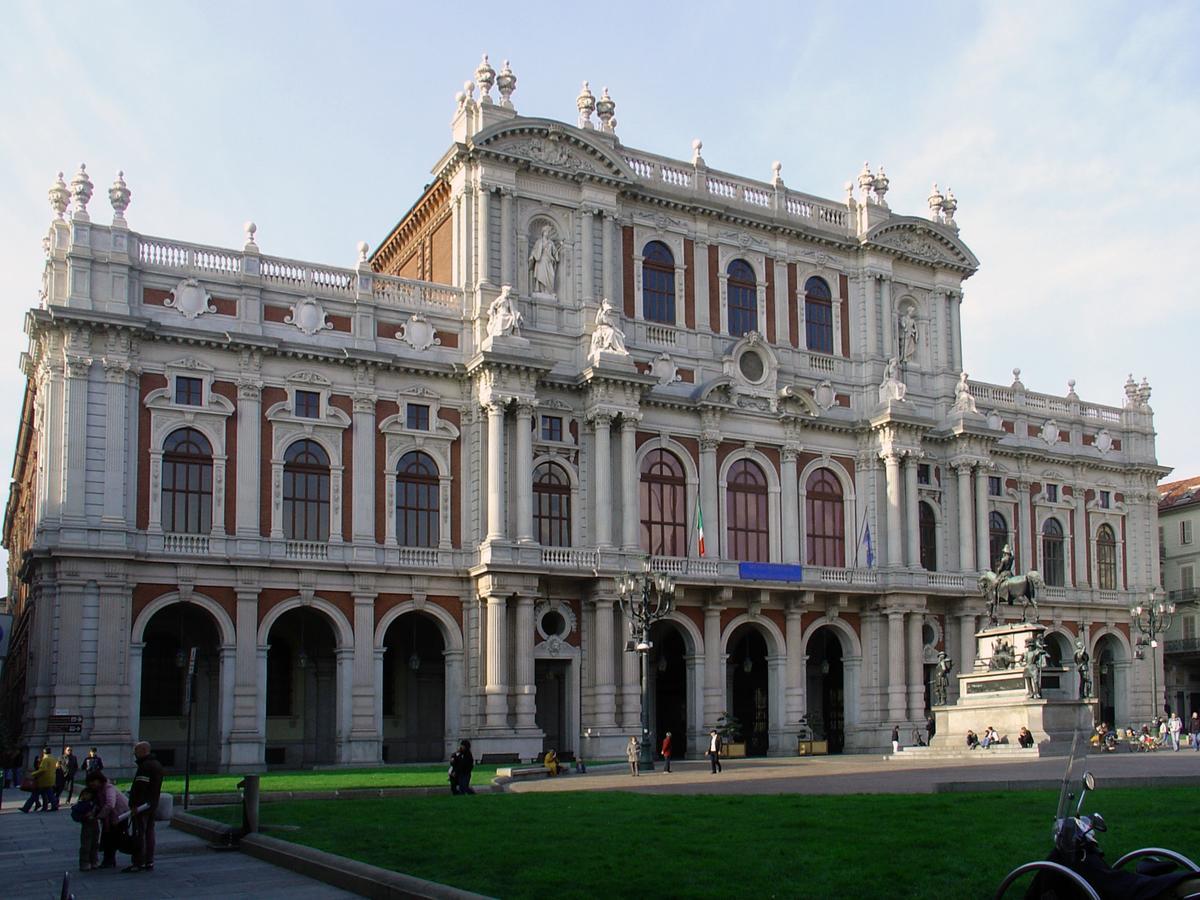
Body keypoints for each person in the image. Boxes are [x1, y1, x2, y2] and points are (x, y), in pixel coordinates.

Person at [125, 740, 164, 873]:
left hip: (142, 806)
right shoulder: (156, 764)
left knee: (140, 833)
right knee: (149, 832)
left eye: (136, 751)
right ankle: (149, 860)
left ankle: (139, 861)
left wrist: (135, 804)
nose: (134, 754)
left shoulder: (145, 767)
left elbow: (141, 787)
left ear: (142, 751)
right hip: (152, 803)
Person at [87, 771, 129, 869]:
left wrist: (99, 816)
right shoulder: (98, 790)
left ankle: (109, 860)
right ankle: (109, 859)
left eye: (94, 781)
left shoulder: (108, 788)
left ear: (99, 780)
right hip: (111, 817)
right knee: (108, 836)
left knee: (112, 837)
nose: (92, 784)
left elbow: (110, 804)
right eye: (90, 782)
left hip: (120, 815)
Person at [72, 781, 101, 871]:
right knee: (86, 845)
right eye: (85, 794)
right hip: (87, 825)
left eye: (88, 794)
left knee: (95, 844)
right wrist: (84, 817)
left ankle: (94, 861)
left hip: (95, 823)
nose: (86, 796)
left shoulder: (94, 803)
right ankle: (85, 862)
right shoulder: (81, 805)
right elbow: (75, 814)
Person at [22, 746, 57, 813]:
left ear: (44, 752)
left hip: (43, 779)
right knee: (49, 794)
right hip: (51, 778)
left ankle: (26, 808)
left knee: (35, 794)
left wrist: (33, 773)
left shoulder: (45, 759)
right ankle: (50, 806)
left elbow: (43, 769)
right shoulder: (53, 759)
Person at [528, 225, 560, 294]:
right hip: (541, 261)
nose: (547, 233)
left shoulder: (551, 243)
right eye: (546, 232)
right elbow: (534, 250)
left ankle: (548, 291)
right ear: (543, 232)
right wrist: (531, 256)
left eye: (548, 232)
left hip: (548, 261)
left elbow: (555, 252)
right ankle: (541, 291)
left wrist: (557, 255)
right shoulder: (539, 242)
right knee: (541, 276)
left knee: (551, 276)